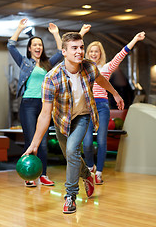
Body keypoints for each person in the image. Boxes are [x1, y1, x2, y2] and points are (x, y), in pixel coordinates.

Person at [23, 31, 124, 214]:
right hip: (62, 120)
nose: (79, 51)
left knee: (71, 151)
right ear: (64, 51)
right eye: (74, 48)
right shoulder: (52, 78)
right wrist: (34, 144)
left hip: (83, 116)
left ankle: (70, 196)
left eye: (81, 47)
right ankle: (87, 175)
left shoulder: (89, 67)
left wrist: (115, 94)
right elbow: (45, 114)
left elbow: (101, 80)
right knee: (71, 156)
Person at [82, 31, 146, 184]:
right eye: (91, 51)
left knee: (102, 140)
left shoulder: (107, 67)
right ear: (87, 53)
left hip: (102, 106)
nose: (93, 54)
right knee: (87, 142)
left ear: (100, 54)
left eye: (96, 51)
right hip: (87, 106)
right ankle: (90, 166)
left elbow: (121, 54)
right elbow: (72, 50)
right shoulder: (83, 68)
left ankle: (98, 173)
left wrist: (135, 39)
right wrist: (82, 33)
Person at [7, 18, 63, 187]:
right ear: (30, 48)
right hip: (28, 105)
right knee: (31, 140)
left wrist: (56, 34)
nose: (38, 47)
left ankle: (43, 174)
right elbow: (10, 45)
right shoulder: (24, 62)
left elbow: (61, 52)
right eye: (35, 45)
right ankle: (29, 175)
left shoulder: (47, 64)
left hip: (45, 105)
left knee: (43, 142)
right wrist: (19, 28)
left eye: (40, 44)